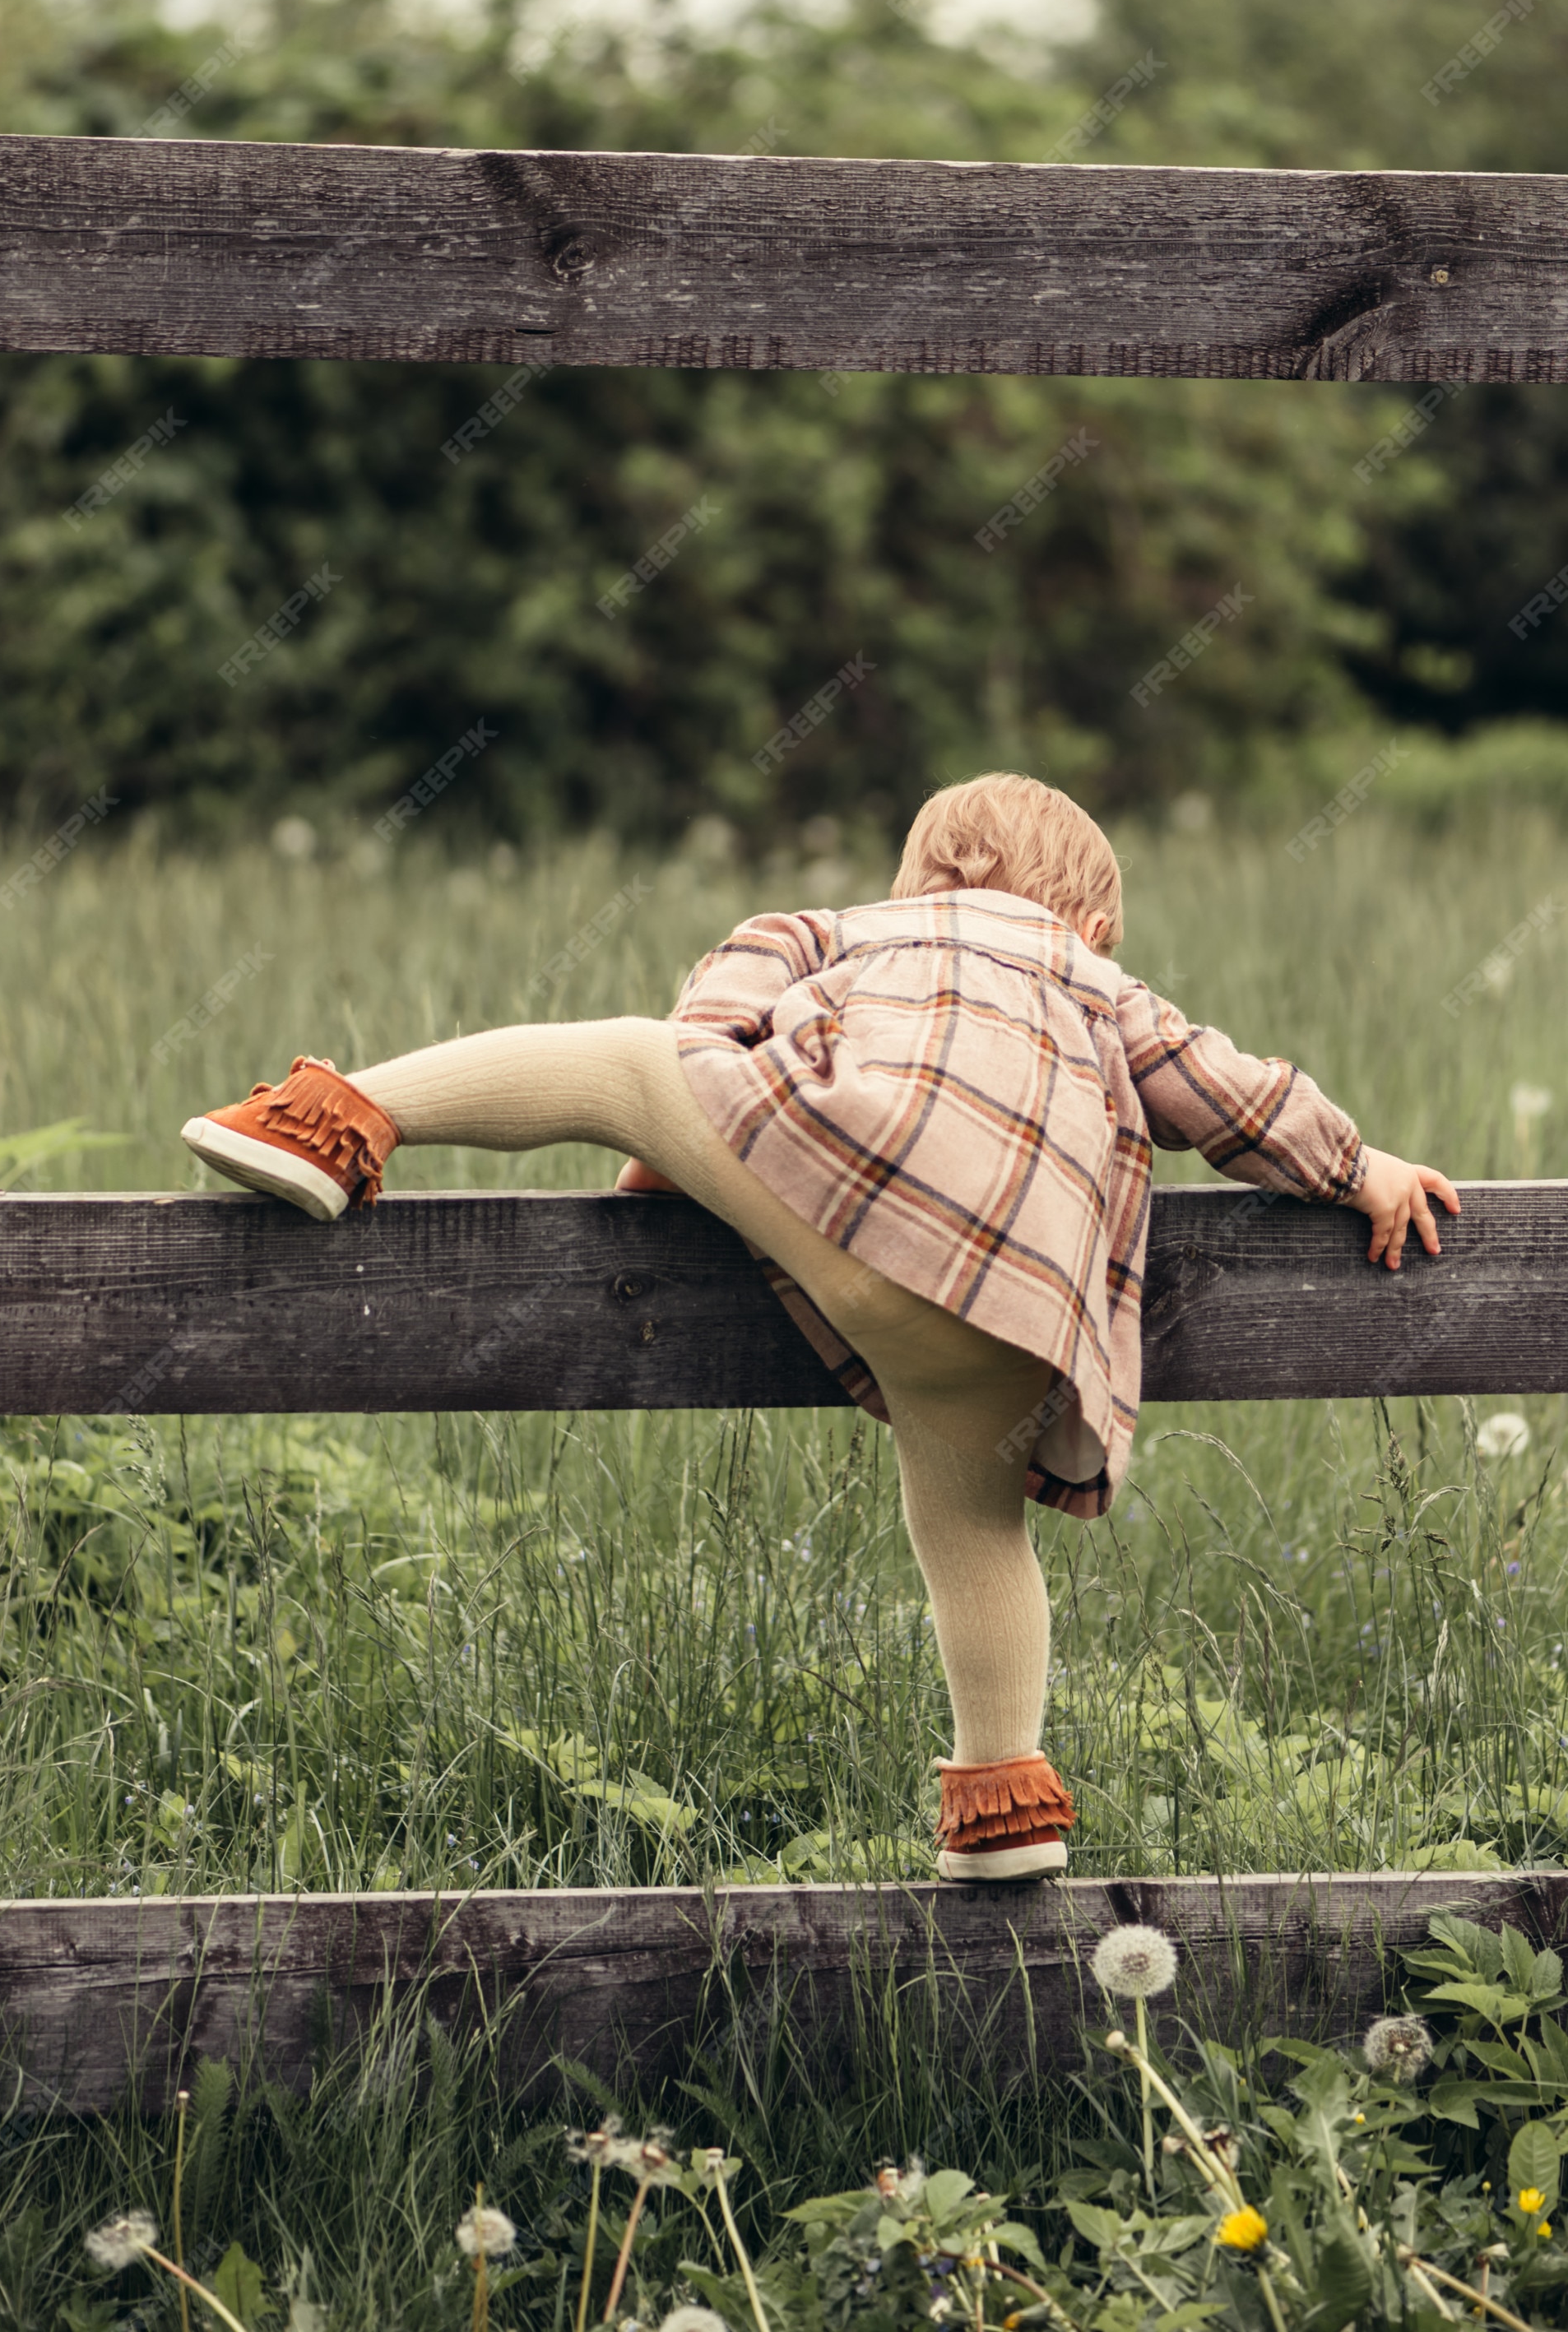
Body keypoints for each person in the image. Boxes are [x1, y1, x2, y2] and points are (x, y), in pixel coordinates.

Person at [182, 773, 1459, 1883]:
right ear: (1095, 917)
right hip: (1007, 1307)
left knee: (625, 1067)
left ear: (916, 875)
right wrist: (1360, 1171)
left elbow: (702, 1034)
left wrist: (684, 1145)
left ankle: (333, 1118)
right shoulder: (1096, 977)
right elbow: (1222, 1097)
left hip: (849, 1197)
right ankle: (1003, 1800)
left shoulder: (831, 929)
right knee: (971, 1522)